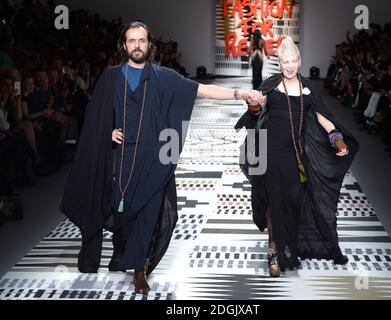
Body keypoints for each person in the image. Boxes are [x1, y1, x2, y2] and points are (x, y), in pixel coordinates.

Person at [60, 21, 254, 294]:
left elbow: (201, 90)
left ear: (149, 45)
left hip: (154, 157)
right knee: (122, 209)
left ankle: (139, 269)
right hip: (123, 157)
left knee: (149, 211)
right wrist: (107, 132)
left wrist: (238, 93)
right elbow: (96, 116)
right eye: (131, 40)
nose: (137, 45)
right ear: (124, 45)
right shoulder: (110, 77)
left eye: (142, 40)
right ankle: (123, 256)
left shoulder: (164, 77)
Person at [236, 36, 359, 277]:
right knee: (274, 202)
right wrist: (254, 105)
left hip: (296, 156)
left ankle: (287, 246)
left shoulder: (308, 89)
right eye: (285, 62)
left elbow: (323, 117)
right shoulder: (271, 85)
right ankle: (274, 249)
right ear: (279, 63)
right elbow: (257, 110)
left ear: (300, 61)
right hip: (270, 154)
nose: (289, 66)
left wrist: (337, 138)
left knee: (293, 201)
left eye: (293, 61)